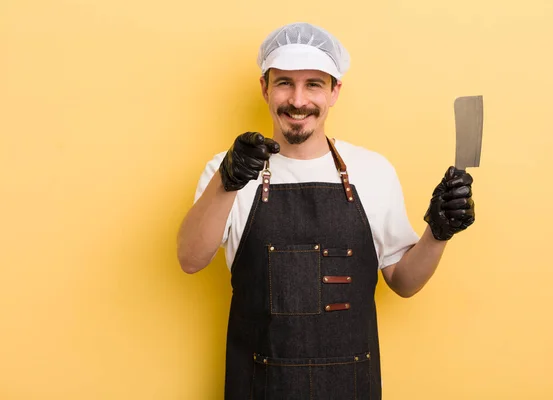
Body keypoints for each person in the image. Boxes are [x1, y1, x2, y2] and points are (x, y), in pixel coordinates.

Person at [177, 22, 475, 399]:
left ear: (335, 91)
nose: (298, 100)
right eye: (284, 82)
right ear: (264, 88)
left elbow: (404, 282)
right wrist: (228, 181)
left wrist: (439, 232)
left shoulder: (373, 170)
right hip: (260, 386)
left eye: (314, 84)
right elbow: (190, 259)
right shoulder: (231, 166)